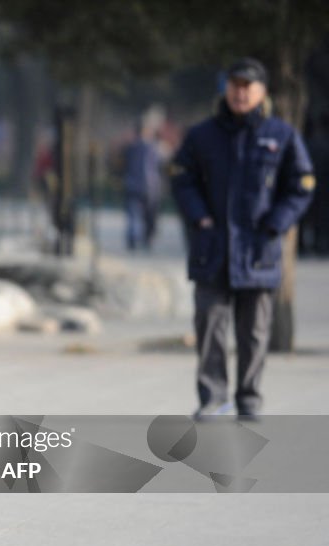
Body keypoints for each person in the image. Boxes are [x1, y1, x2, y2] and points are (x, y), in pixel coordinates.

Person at [170, 58, 315, 418]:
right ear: (226, 88)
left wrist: (276, 224)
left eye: (248, 85)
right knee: (210, 328)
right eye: (235, 84)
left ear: (262, 91)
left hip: (258, 249)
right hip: (213, 247)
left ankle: (249, 399)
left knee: (253, 333)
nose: (240, 92)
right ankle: (213, 397)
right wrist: (199, 217)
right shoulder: (202, 135)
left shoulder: (281, 136)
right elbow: (181, 178)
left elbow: (301, 186)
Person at [123, 122, 163, 251]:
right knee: (148, 216)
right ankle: (145, 239)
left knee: (134, 215)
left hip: (133, 185)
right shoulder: (155, 148)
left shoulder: (131, 148)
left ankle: (134, 238)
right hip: (150, 187)